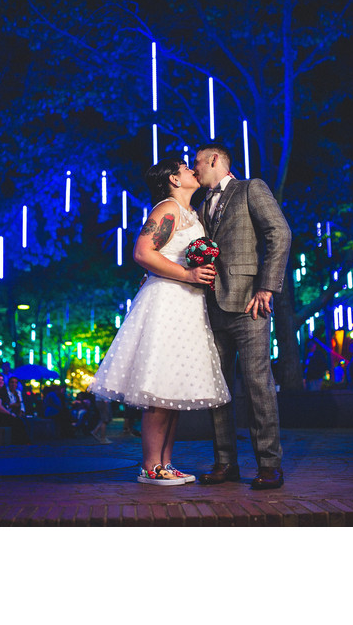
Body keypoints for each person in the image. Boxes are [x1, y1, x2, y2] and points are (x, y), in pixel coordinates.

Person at [90, 157, 231, 485]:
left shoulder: (190, 214)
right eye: (184, 168)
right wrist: (188, 273)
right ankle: (151, 466)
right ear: (173, 179)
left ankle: (165, 463)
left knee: (172, 388)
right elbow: (142, 252)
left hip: (187, 304)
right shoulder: (166, 209)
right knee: (158, 390)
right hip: (167, 303)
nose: (191, 170)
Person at [192, 143, 292, 490]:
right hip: (211, 306)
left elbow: (279, 233)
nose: (195, 170)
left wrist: (267, 287)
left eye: (198, 163)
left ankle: (269, 465)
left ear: (215, 160)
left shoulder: (251, 188)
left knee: (257, 386)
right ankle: (225, 463)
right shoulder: (200, 205)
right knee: (218, 390)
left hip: (251, 303)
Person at [0, 373, 29, 444]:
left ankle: (22, 441)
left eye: (2, 380)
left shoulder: (1, 391)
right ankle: (22, 442)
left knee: (21, 420)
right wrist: (10, 414)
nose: (1, 381)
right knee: (17, 421)